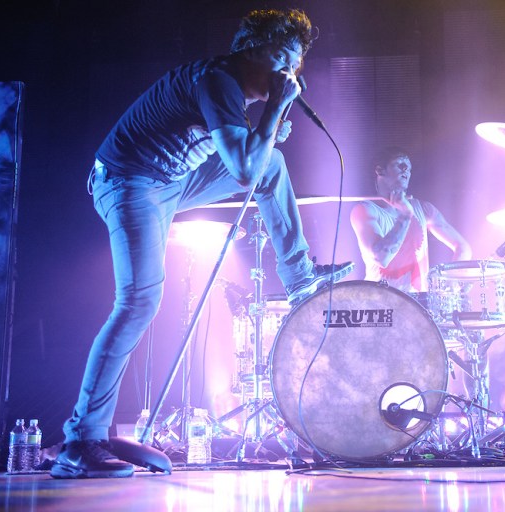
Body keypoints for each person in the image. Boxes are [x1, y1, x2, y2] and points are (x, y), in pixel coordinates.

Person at [51, 9, 353, 479]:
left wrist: (268, 127)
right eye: (288, 61)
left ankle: (300, 281)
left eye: (297, 65)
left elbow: (255, 159)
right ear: (259, 51)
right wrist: (274, 109)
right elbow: (242, 169)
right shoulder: (218, 81)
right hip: (129, 182)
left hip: (171, 180)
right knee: (138, 302)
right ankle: (81, 440)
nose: (293, 75)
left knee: (271, 161)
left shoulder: (233, 87)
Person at [350, 147, 471, 293]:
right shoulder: (365, 210)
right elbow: (381, 257)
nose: (406, 170)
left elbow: (463, 247)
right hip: (379, 304)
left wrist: (453, 280)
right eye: (400, 164)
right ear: (380, 170)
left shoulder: (424, 209)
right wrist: (406, 214)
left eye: (409, 168)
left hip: (418, 306)